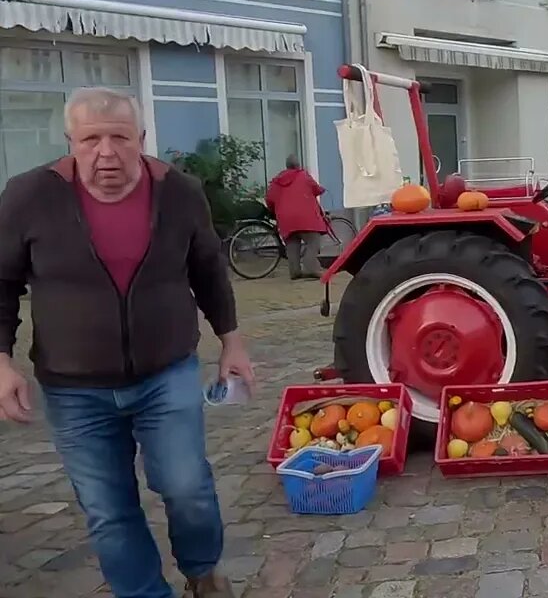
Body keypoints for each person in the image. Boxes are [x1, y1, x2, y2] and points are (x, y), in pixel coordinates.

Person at [0, 87, 255, 598]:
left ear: (140, 139)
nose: (106, 153)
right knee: (108, 508)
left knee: (186, 487)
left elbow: (208, 270)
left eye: (119, 137)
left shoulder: (178, 192)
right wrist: (1, 360)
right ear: (71, 142)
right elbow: (2, 282)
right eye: (91, 139)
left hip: (167, 372)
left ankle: (203, 571)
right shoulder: (29, 196)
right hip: (73, 389)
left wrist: (231, 341)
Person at [265, 155, 328, 280]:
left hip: (286, 219)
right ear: (298, 165)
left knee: (292, 244)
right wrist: (321, 189)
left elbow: (269, 199)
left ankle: (295, 271)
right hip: (305, 217)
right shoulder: (303, 175)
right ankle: (310, 268)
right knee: (313, 242)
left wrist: (275, 211)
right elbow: (316, 189)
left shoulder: (277, 181)